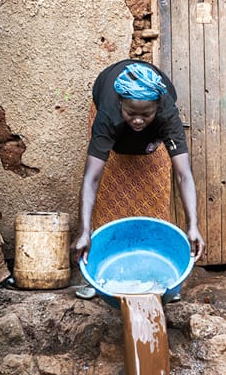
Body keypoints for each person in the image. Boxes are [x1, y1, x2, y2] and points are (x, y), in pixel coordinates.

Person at [73, 60, 205, 299]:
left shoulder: (166, 114)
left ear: (157, 107)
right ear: (120, 103)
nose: (137, 120)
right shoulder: (107, 115)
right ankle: (98, 276)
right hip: (113, 131)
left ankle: (163, 280)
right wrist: (84, 230)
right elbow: (92, 178)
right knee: (108, 199)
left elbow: (183, 175)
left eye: (146, 114)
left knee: (154, 197)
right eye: (131, 113)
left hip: (150, 143)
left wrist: (193, 225)